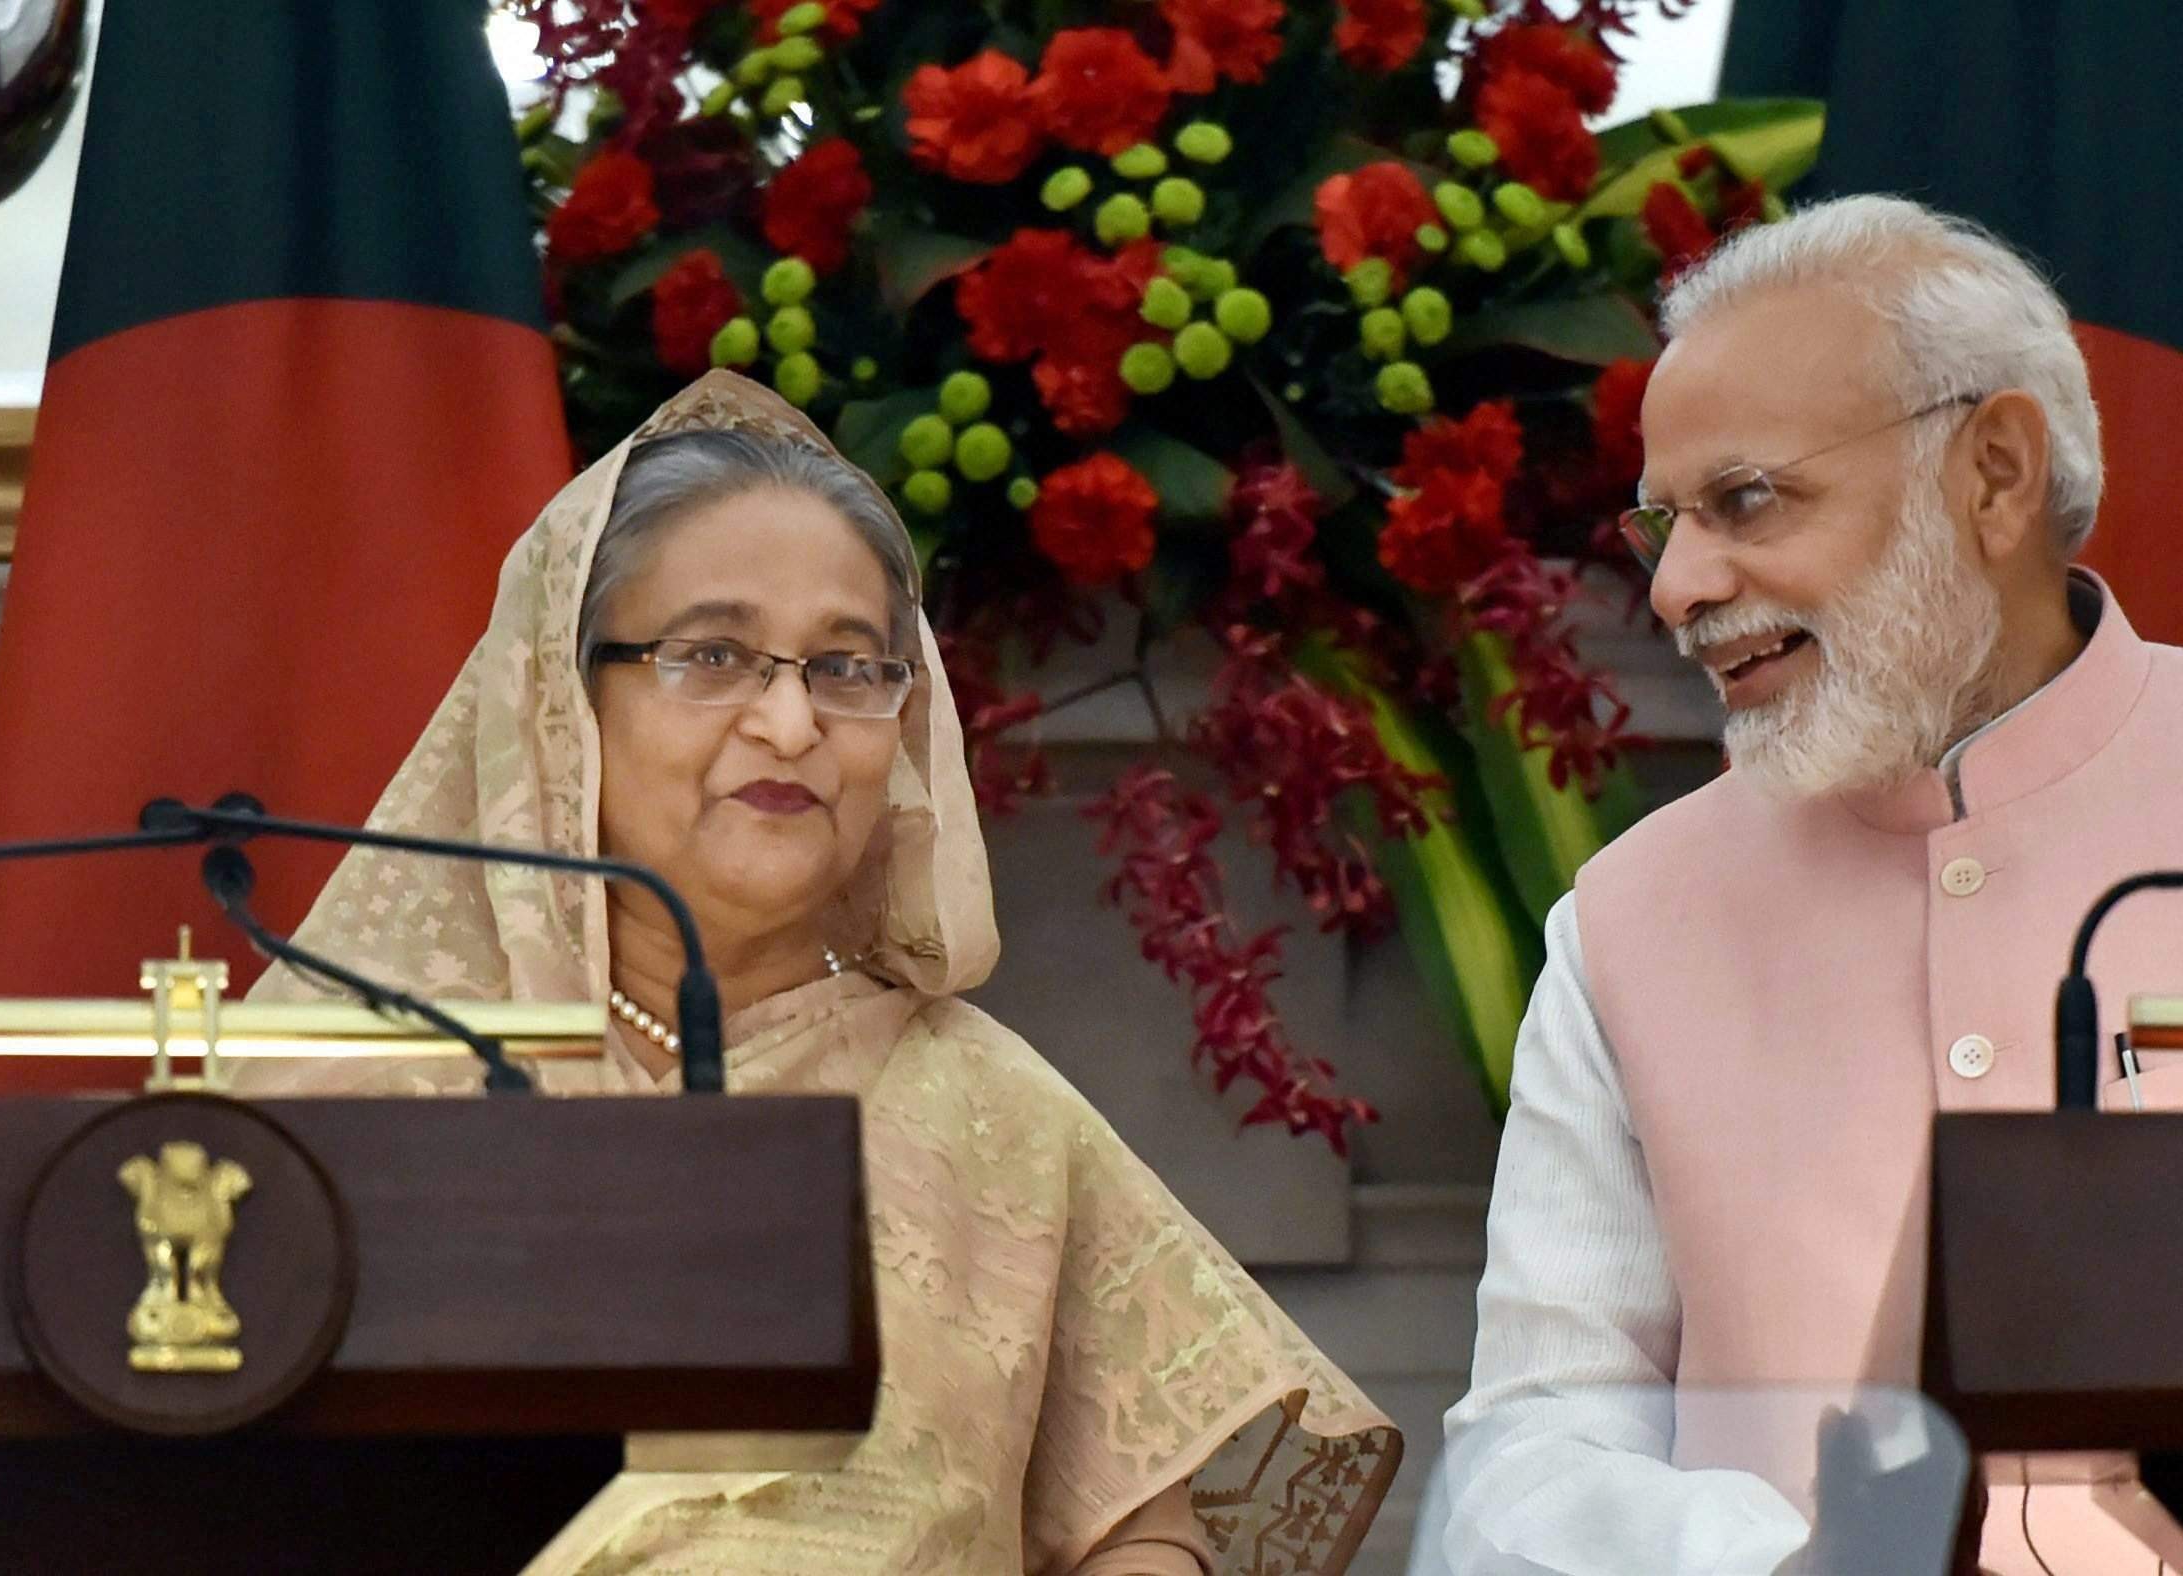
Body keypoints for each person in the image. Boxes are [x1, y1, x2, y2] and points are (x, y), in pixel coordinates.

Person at [1432, 195, 2183, 1575]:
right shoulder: (1631, 921)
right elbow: (1529, 1456)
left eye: (1747, 500)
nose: (1678, 587)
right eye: (1666, 525)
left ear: (1996, 475)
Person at [237, 371, 1398, 1576]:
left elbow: (1150, 1524)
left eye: (847, 668)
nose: (791, 726)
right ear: (560, 702)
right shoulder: (351, 1105)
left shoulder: (993, 1116)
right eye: (713, 654)